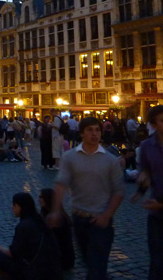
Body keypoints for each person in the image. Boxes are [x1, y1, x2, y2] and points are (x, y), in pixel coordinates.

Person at [50, 117, 125, 280]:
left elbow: (119, 191)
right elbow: (61, 184)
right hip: (79, 219)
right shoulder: (70, 157)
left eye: (97, 130)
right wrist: (56, 211)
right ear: (82, 133)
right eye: (90, 130)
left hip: (101, 221)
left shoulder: (110, 160)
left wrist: (106, 215)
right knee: (90, 263)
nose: (94, 134)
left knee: (96, 268)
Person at [0, 192, 61, 280]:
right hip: (52, 268)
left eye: (14, 205)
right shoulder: (39, 220)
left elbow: (14, 254)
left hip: (35, 270)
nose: (12, 207)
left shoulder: (24, 226)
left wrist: (0, 248)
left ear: (20, 207)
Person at [132, 105, 163, 280]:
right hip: (157, 213)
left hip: (158, 204)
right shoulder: (146, 146)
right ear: (154, 124)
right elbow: (147, 171)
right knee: (157, 259)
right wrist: (140, 189)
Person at [39, 188, 75, 271]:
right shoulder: (46, 213)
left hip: (62, 260)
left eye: (41, 197)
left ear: (48, 199)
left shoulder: (57, 219)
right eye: (39, 197)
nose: (39, 199)